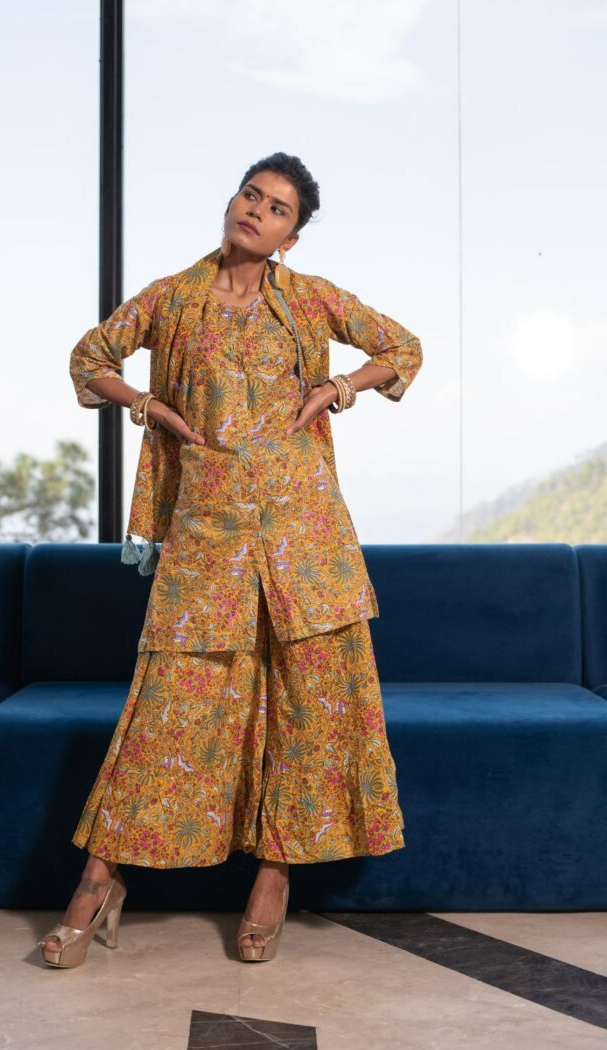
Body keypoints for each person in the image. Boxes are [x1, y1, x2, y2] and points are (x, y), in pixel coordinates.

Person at [39, 152, 423, 968]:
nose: (258, 210)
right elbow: (88, 360)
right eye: (252, 195)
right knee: (165, 713)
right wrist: (149, 406)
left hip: (305, 537)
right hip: (208, 534)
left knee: (309, 711)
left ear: (291, 237)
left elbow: (402, 347)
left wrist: (339, 388)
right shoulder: (171, 298)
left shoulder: (309, 298)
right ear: (232, 201)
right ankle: (98, 881)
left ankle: (272, 881)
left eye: (278, 208)